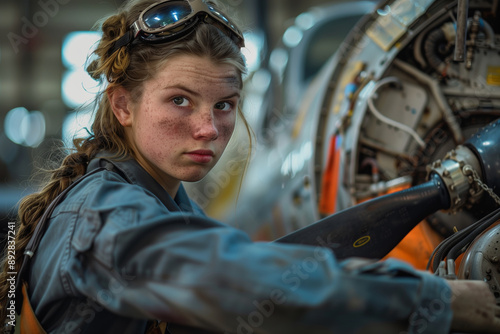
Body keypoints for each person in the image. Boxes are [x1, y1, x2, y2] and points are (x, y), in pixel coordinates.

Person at [1, 0, 500, 333]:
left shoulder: (163, 203)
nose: (208, 128)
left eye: (224, 105)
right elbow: (230, 279)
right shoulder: (105, 215)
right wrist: (437, 301)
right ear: (123, 106)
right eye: (179, 100)